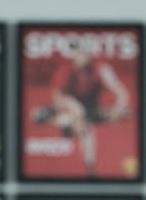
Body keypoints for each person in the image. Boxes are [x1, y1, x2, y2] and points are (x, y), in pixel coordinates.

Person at [31, 42, 130, 176]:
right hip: (69, 107)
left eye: (84, 52)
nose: (81, 56)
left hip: (91, 109)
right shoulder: (65, 70)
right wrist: (73, 109)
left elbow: (120, 91)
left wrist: (119, 106)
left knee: (120, 115)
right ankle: (71, 122)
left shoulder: (100, 68)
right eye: (78, 53)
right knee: (43, 114)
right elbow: (59, 97)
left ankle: (89, 167)